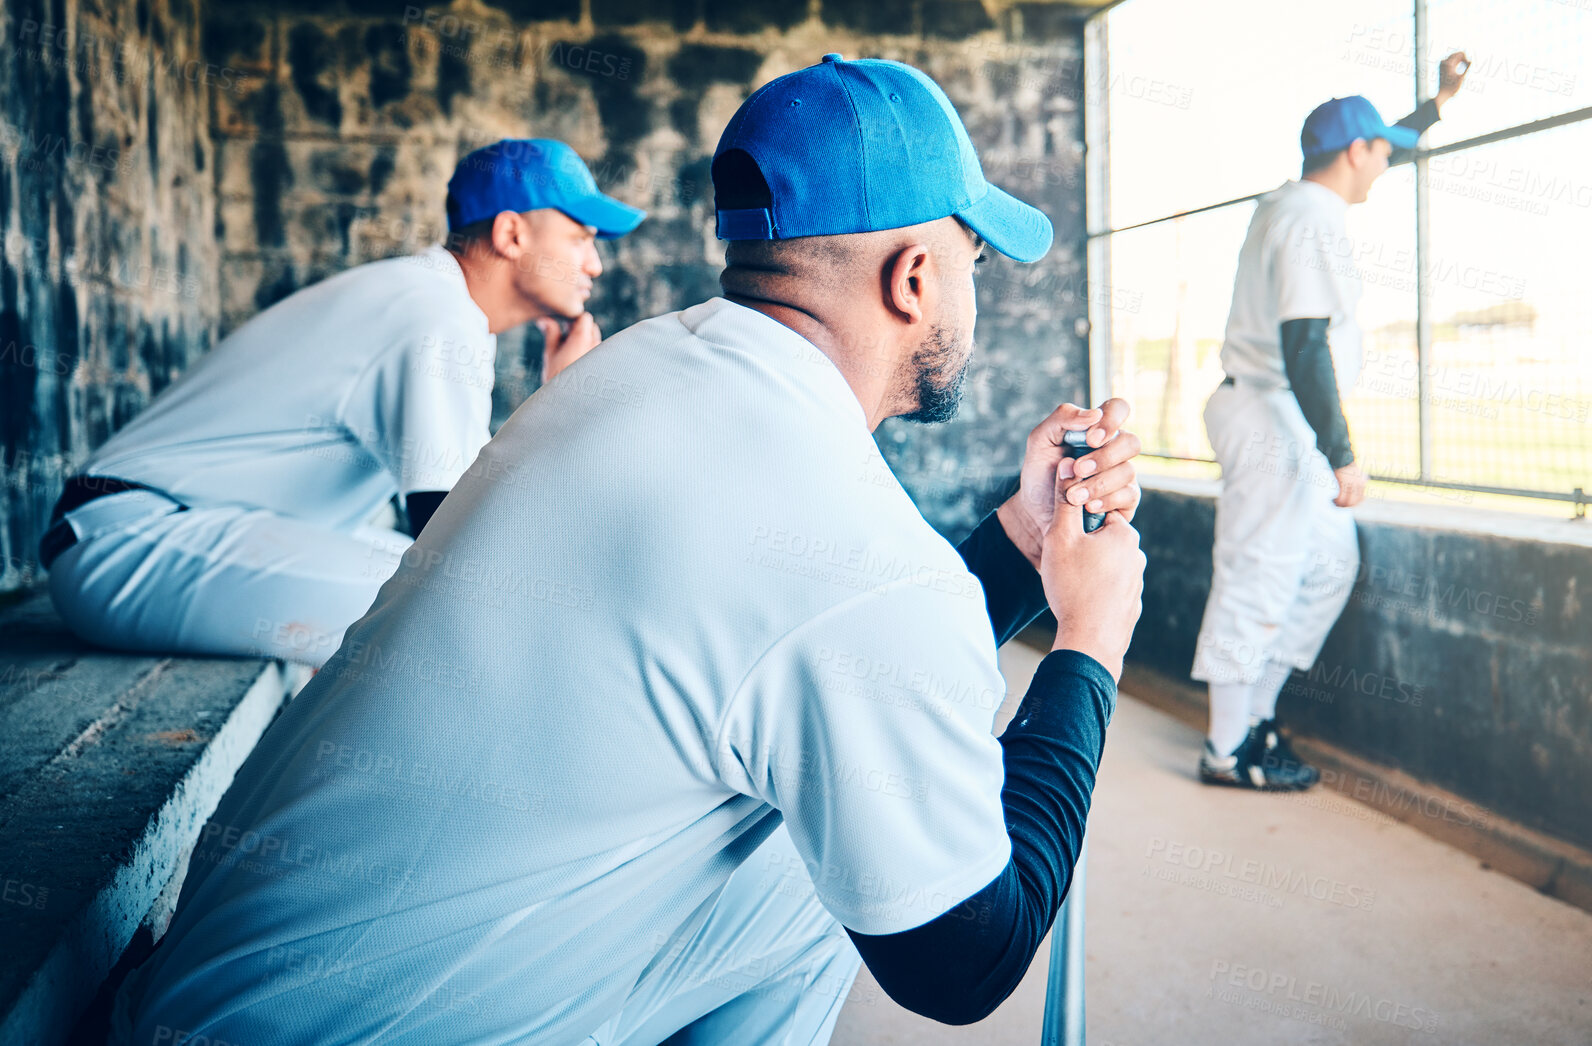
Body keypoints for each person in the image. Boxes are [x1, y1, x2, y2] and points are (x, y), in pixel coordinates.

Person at [109, 54, 1148, 1045]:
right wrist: (1089, 640)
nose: (979, 293)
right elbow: (963, 958)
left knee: (841, 818)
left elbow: (840, 647)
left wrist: (1021, 539)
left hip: (207, 997)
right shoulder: (851, 544)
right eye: (975, 262)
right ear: (914, 277)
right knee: (859, 844)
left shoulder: (632, 374)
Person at [38, 138, 642, 665]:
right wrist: (562, 407)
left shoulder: (437, 302)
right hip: (129, 539)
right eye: (582, 236)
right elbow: (457, 539)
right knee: (460, 604)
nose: (594, 262)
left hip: (162, 534)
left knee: (459, 589)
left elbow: (460, 526)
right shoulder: (437, 312)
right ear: (511, 233)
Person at [1193, 53, 1470, 791]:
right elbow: (1304, 341)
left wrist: (1436, 104)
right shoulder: (1311, 218)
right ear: (1354, 153)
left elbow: (1390, 139)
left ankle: (1254, 720)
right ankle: (1225, 749)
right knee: (1256, 579)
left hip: (1281, 416)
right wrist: (1343, 453)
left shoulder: (1297, 202)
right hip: (1271, 417)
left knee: (1327, 566)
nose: (1388, 162)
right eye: (1380, 151)